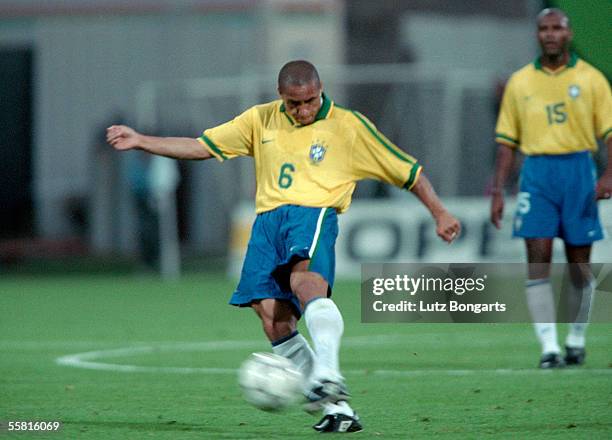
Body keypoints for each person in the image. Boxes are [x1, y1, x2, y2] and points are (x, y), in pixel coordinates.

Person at [107, 60, 461, 433]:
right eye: (295, 104)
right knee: (273, 319)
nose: (304, 110)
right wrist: (142, 140)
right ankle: (336, 407)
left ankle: (327, 373)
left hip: (312, 213)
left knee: (305, 285)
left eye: (310, 100)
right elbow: (201, 146)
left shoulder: (348, 125)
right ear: (281, 97)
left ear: (320, 89)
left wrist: (439, 212)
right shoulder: (260, 120)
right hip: (266, 225)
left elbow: (408, 171)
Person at [490, 9, 612, 369]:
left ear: (568, 34)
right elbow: (506, 142)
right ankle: (549, 348)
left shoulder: (591, 79)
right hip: (537, 173)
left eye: (556, 28)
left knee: (579, 266)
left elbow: (609, 134)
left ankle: (575, 339)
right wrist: (498, 190)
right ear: (537, 35)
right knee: (538, 259)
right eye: (543, 28)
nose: (550, 34)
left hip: (578, 170)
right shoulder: (521, 82)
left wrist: (608, 176)